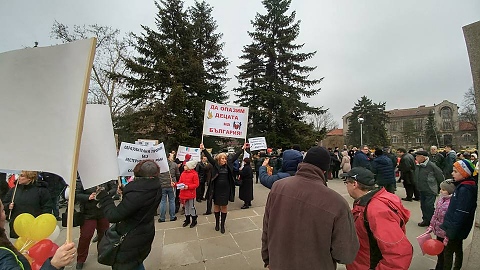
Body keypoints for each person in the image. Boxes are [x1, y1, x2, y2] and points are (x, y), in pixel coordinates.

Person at [262, 146, 359, 269]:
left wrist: (268, 258)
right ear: (325, 170)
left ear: (303, 163)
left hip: (278, 263)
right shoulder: (338, 203)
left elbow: (267, 228)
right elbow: (345, 254)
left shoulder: (278, 186)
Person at [95, 160, 162, 269]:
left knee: (128, 264)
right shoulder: (156, 186)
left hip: (131, 238)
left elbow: (113, 216)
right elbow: (141, 197)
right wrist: (127, 190)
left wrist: (104, 197)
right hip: (144, 232)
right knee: (136, 262)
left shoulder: (137, 194)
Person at [343, 167, 413, 270]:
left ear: (354, 184)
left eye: (346, 182)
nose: (346, 186)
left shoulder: (376, 210)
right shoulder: (377, 199)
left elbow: (398, 253)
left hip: (367, 265)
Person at [0, 200, 77, 269]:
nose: (5, 214)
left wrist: (20, 258)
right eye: (3, 210)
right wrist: (54, 264)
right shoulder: (5, 257)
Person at [200, 143, 249, 234]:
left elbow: (235, 157)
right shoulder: (215, 165)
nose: (224, 160)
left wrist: (242, 149)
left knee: (224, 206)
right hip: (216, 190)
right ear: (219, 159)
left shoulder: (228, 164)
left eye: (225, 158)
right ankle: (217, 224)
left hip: (226, 190)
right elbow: (209, 158)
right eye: (222, 158)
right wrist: (203, 149)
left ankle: (222, 225)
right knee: (216, 206)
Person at [440, 160, 478, 270]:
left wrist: (450, 232)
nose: (452, 173)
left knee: (448, 252)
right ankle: (457, 267)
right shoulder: (463, 186)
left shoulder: (465, 189)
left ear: (464, 173)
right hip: (457, 229)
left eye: (455, 171)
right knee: (457, 248)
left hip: (455, 229)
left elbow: (460, 213)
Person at [74, 176, 116, 269]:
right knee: (86, 236)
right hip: (88, 213)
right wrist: (88, 197)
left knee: (104, 233)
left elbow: (114, 187)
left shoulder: (105, 177)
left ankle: (101, 252)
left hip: (103, 210)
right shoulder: (82, 179)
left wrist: (106, 194)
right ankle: (81, 259)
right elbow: (76, 194)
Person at [2, 170, 53, 238]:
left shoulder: (41, 190)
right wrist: (8, 206)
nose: (19, 178)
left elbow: (47, 207)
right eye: (19, 175)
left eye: (22, 176)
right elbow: (4, 203)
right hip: (18, 227)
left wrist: (42, 222)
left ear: (30, 178)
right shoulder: (14, 190)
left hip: (34, 226)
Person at [425, 180, 455, 270]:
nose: (441, 191)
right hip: (439, 231)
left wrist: (448, 236)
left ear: (450, 191)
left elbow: (452, 221)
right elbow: (435, 214)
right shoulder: (441, 199)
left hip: (446, 234)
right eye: (441, 189)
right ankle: (438, 268)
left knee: (446, 255)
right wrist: (431, 225)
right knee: (439, 253)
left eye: (443, 189)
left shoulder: (452, 203)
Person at [413, 150, 444, 227]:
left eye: (417, 156)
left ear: (423, 157)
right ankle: (426, 220)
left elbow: (440, 176)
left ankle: (432, 221)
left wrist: (440, 187)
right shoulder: (418, 165)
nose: (416, 158)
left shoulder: (431, 165)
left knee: (429, 206)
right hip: (421, 189)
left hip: (430, 189)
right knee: (423, 205)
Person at [178, 160, 200, 228]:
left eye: (186, 165)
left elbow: (196, 184)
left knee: (192, 207)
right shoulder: (183, 173)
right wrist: (175, 184)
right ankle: (187, 219)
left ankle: (194, 220)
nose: (184, 166)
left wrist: (188, 187)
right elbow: (180, 182)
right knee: (186, 207)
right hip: (184, 192)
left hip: (190, 193)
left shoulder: (194, 174)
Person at [158, 153, 180, 223]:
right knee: (172, 201)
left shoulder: (158, 165)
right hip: (171, 184)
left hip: (162, 185)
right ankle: (172, 217)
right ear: (168, 157)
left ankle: (162, 218)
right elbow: (177, 174)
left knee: (163, 201)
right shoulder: (174, 164)